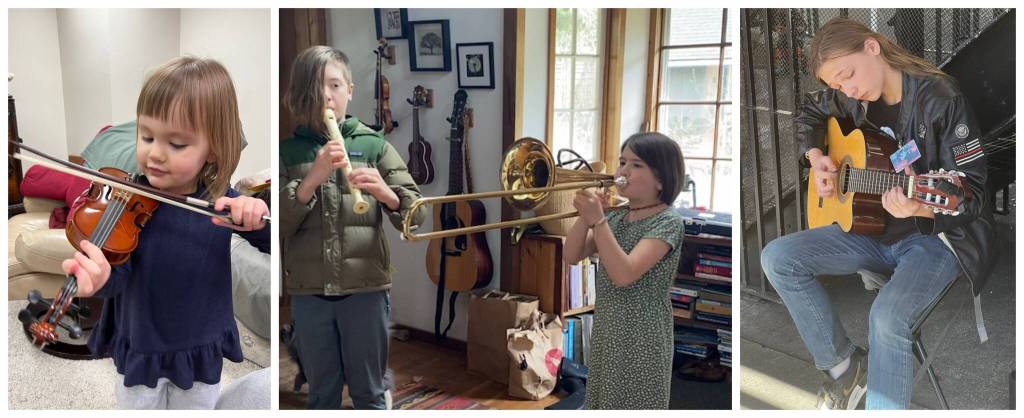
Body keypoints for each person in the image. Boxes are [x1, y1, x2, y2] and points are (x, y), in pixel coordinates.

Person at [760, 17, 994, 410]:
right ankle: (845, 369)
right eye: (838, 86)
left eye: (847, 75)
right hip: (871, 229)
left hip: (935, 240)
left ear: (872, 48)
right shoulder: (853, 99)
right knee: (777, 258)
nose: (847, 90)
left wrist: (920, 206)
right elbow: (809, 110)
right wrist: (816, 157)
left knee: (887, 319)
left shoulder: (941, 99)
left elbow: (975, 193)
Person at [64, 56, 271, 409]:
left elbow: (272, 244)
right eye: (146, 136)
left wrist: (258, 217)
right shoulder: (125, 203)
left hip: (199, 346)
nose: (155, 154)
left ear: (213, 149)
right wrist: (100, 278)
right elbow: (117, 277)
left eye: (176, 144)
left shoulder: (223, 203)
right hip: (143, 343)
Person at [279, 45, 425, 410]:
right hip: (309, 292)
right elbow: (280, 224)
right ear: (301, 95)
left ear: (349, 90)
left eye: (334, 85)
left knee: (369, 393)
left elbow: (416, 213)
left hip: (366, 289)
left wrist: (387, 194)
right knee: (322, 395)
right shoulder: (287, 152)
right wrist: (311, 179)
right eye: (315, 87)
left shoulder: (374, 145)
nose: (326, 96)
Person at [564, 132, 686, 409]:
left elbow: (624, 274)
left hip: (642, 333)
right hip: (609, 328)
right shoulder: (616, 215)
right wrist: (585, 219)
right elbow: (571, 255)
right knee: (604, 400)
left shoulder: (668, 222)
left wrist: (598, 221)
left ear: (661, 179)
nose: (623, 171)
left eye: (636, 165)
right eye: (622, 162)